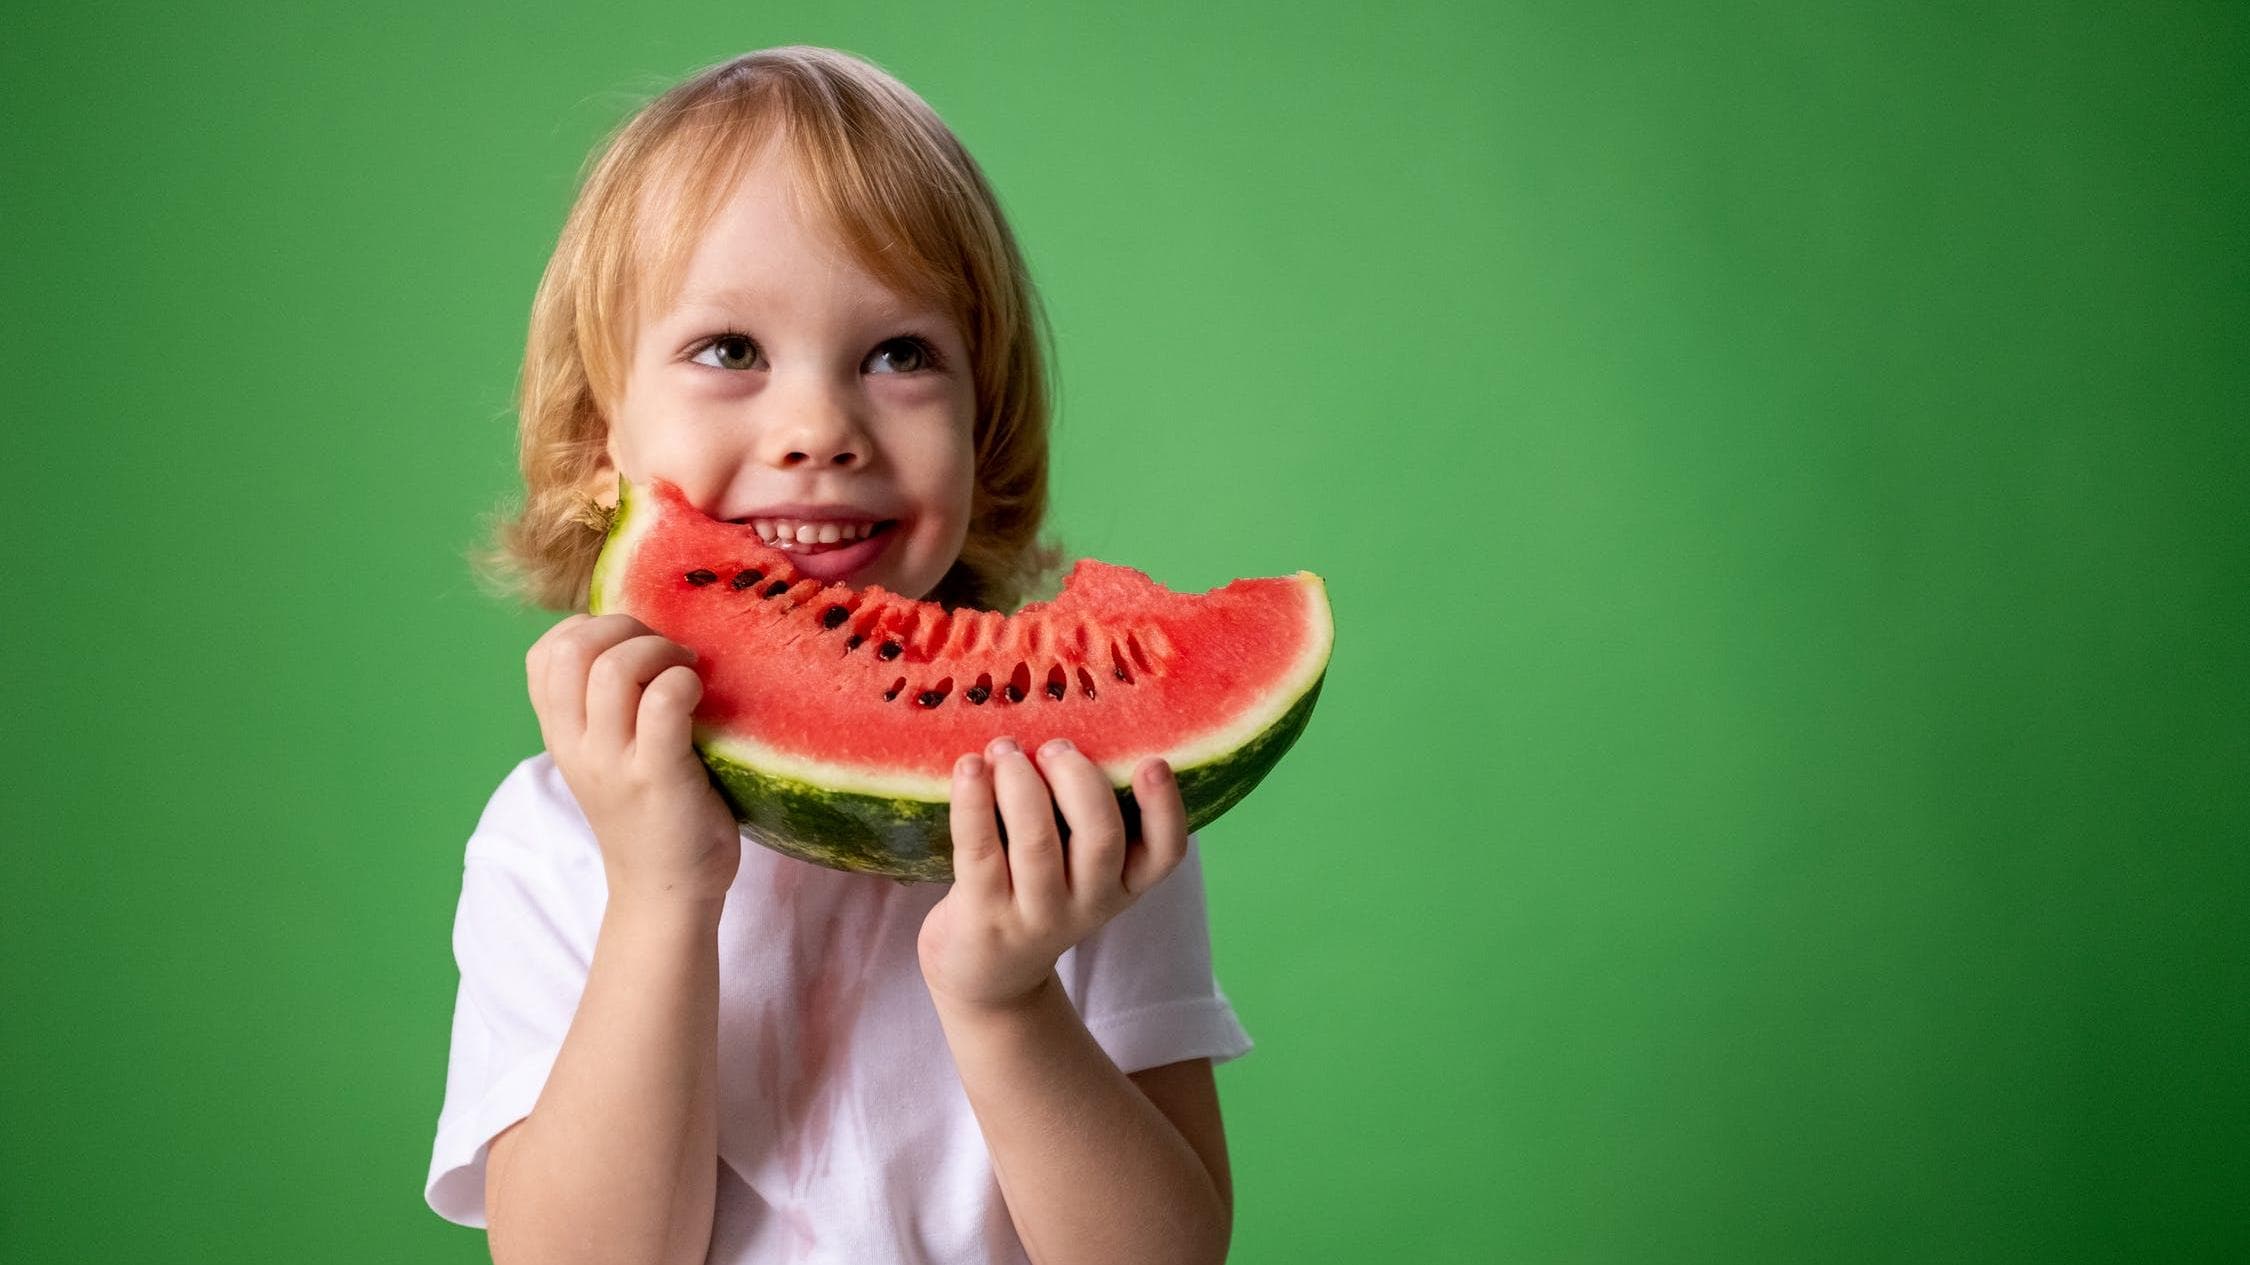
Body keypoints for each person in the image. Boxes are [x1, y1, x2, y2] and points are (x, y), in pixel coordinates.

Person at [423, 46, 1253, 1265]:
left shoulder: (1076, 813)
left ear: (984, 430)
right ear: (601, 438)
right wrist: (658, 890)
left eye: (900, 353)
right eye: (730, 350)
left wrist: (1007, 998)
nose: (819, 429)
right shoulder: (550, 839)